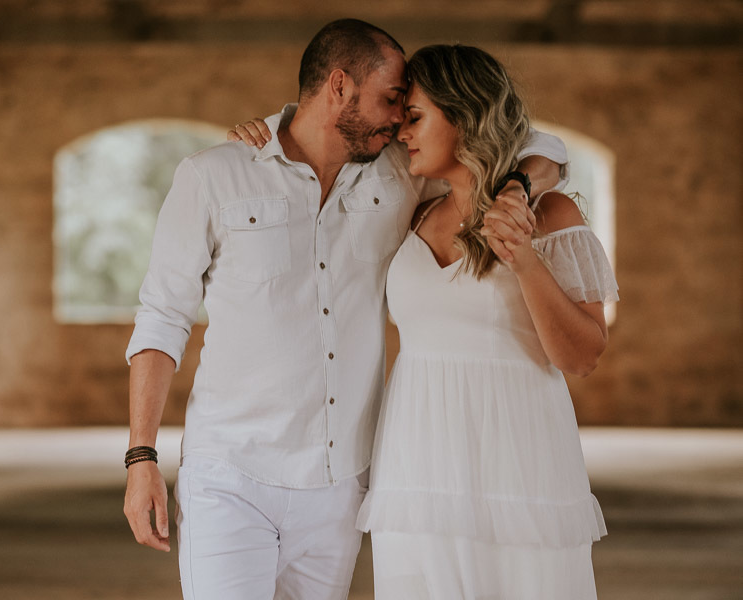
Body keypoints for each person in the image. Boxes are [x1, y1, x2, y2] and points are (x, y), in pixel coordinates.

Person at [123, 20, 567, 600]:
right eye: (390, 100)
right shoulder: (214, 175)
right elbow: (162, 318)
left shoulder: (401, 178)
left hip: (340, 485)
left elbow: (542, 147)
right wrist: (141, 457)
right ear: (339, 87)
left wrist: (517, 188)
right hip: (230, 476)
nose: (398, 120)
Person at [350, 45, 617, 599]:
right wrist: (266, 130)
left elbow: (583, 356)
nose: (402, 133)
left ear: (467, 115)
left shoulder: (550, 215)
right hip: (416, 462)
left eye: (416, 118)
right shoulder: (416, 207)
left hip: (518, 461)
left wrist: (523, 260)